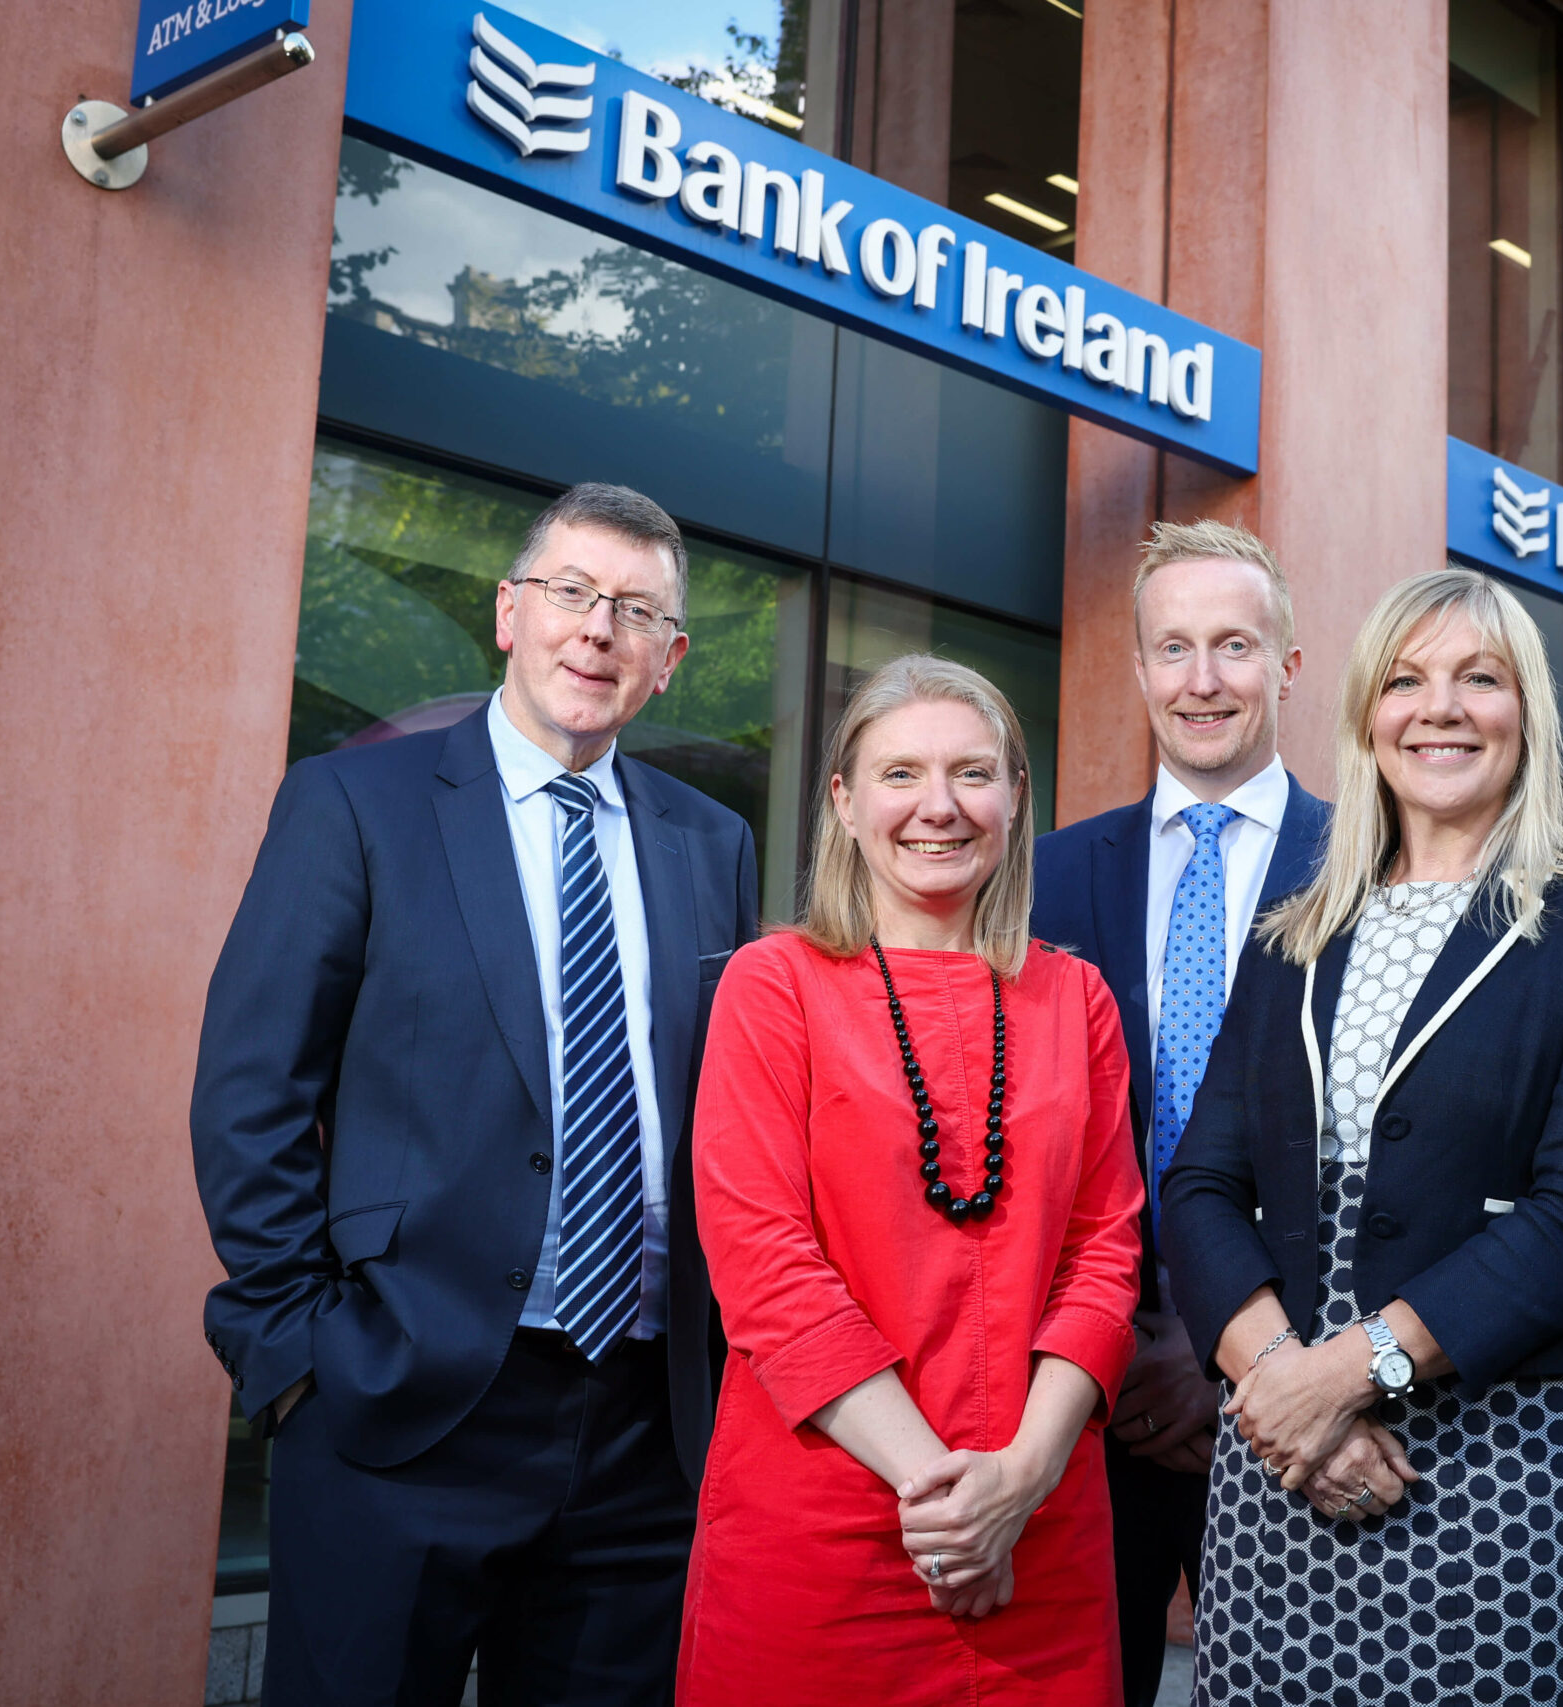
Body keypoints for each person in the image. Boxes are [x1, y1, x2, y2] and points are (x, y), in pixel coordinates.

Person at [192, 483, 758, 1705]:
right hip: (405, 1401)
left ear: (670, 660)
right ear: (510, 613)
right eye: (571, 593)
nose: (597, 629)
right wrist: (301, 1347)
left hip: (641, 1429)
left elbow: (727, 1112)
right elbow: (252, 1088)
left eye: (635, 611)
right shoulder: (356, 805)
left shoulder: (711, 844)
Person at [1160, 567, 1563, 1705]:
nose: (1438, 708)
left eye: (1477, 679)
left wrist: (1350, 1374)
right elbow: (1199, 1184)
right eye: (1405, 681)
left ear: (1526, 713)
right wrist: (1282, 1386)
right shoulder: (1292, 932)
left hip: (1499, 1468)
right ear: (1365, 718)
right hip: (1280, 1469)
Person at [680, 654, 1144, 1707]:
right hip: (824, 1527)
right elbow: (761, 1264)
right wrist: (947, 1501)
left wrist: (1018, 1482)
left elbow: (1105, 1255)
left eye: (972, 774)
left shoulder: (1078, 1000)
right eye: (899, 775)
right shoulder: (773, 985)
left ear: (1016, 800)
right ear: (842, 802)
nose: (937, 807)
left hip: (1041, 1532)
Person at [1029, 518, 1329, 1707]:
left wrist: (1232, 1357)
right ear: (1139, 668)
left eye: (1235, 647)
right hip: (1080, 1407)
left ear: (1288, 668)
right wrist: (1119, 1349)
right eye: (1174, 649)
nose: (1202, 681)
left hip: (1298, 1396)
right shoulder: (1047, 877)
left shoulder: (1371, 864)